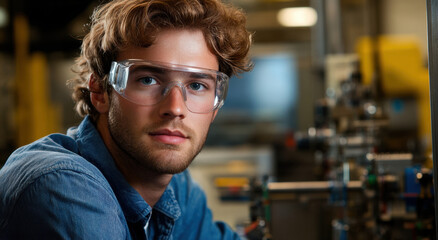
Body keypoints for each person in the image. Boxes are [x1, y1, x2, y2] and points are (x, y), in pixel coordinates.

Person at [0, 0, 252, 239]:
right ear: (99, 91)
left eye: (197, 85)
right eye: (148, 80)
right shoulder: (61, 185)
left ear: (215, 105)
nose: (175, 108)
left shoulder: (176, 188)